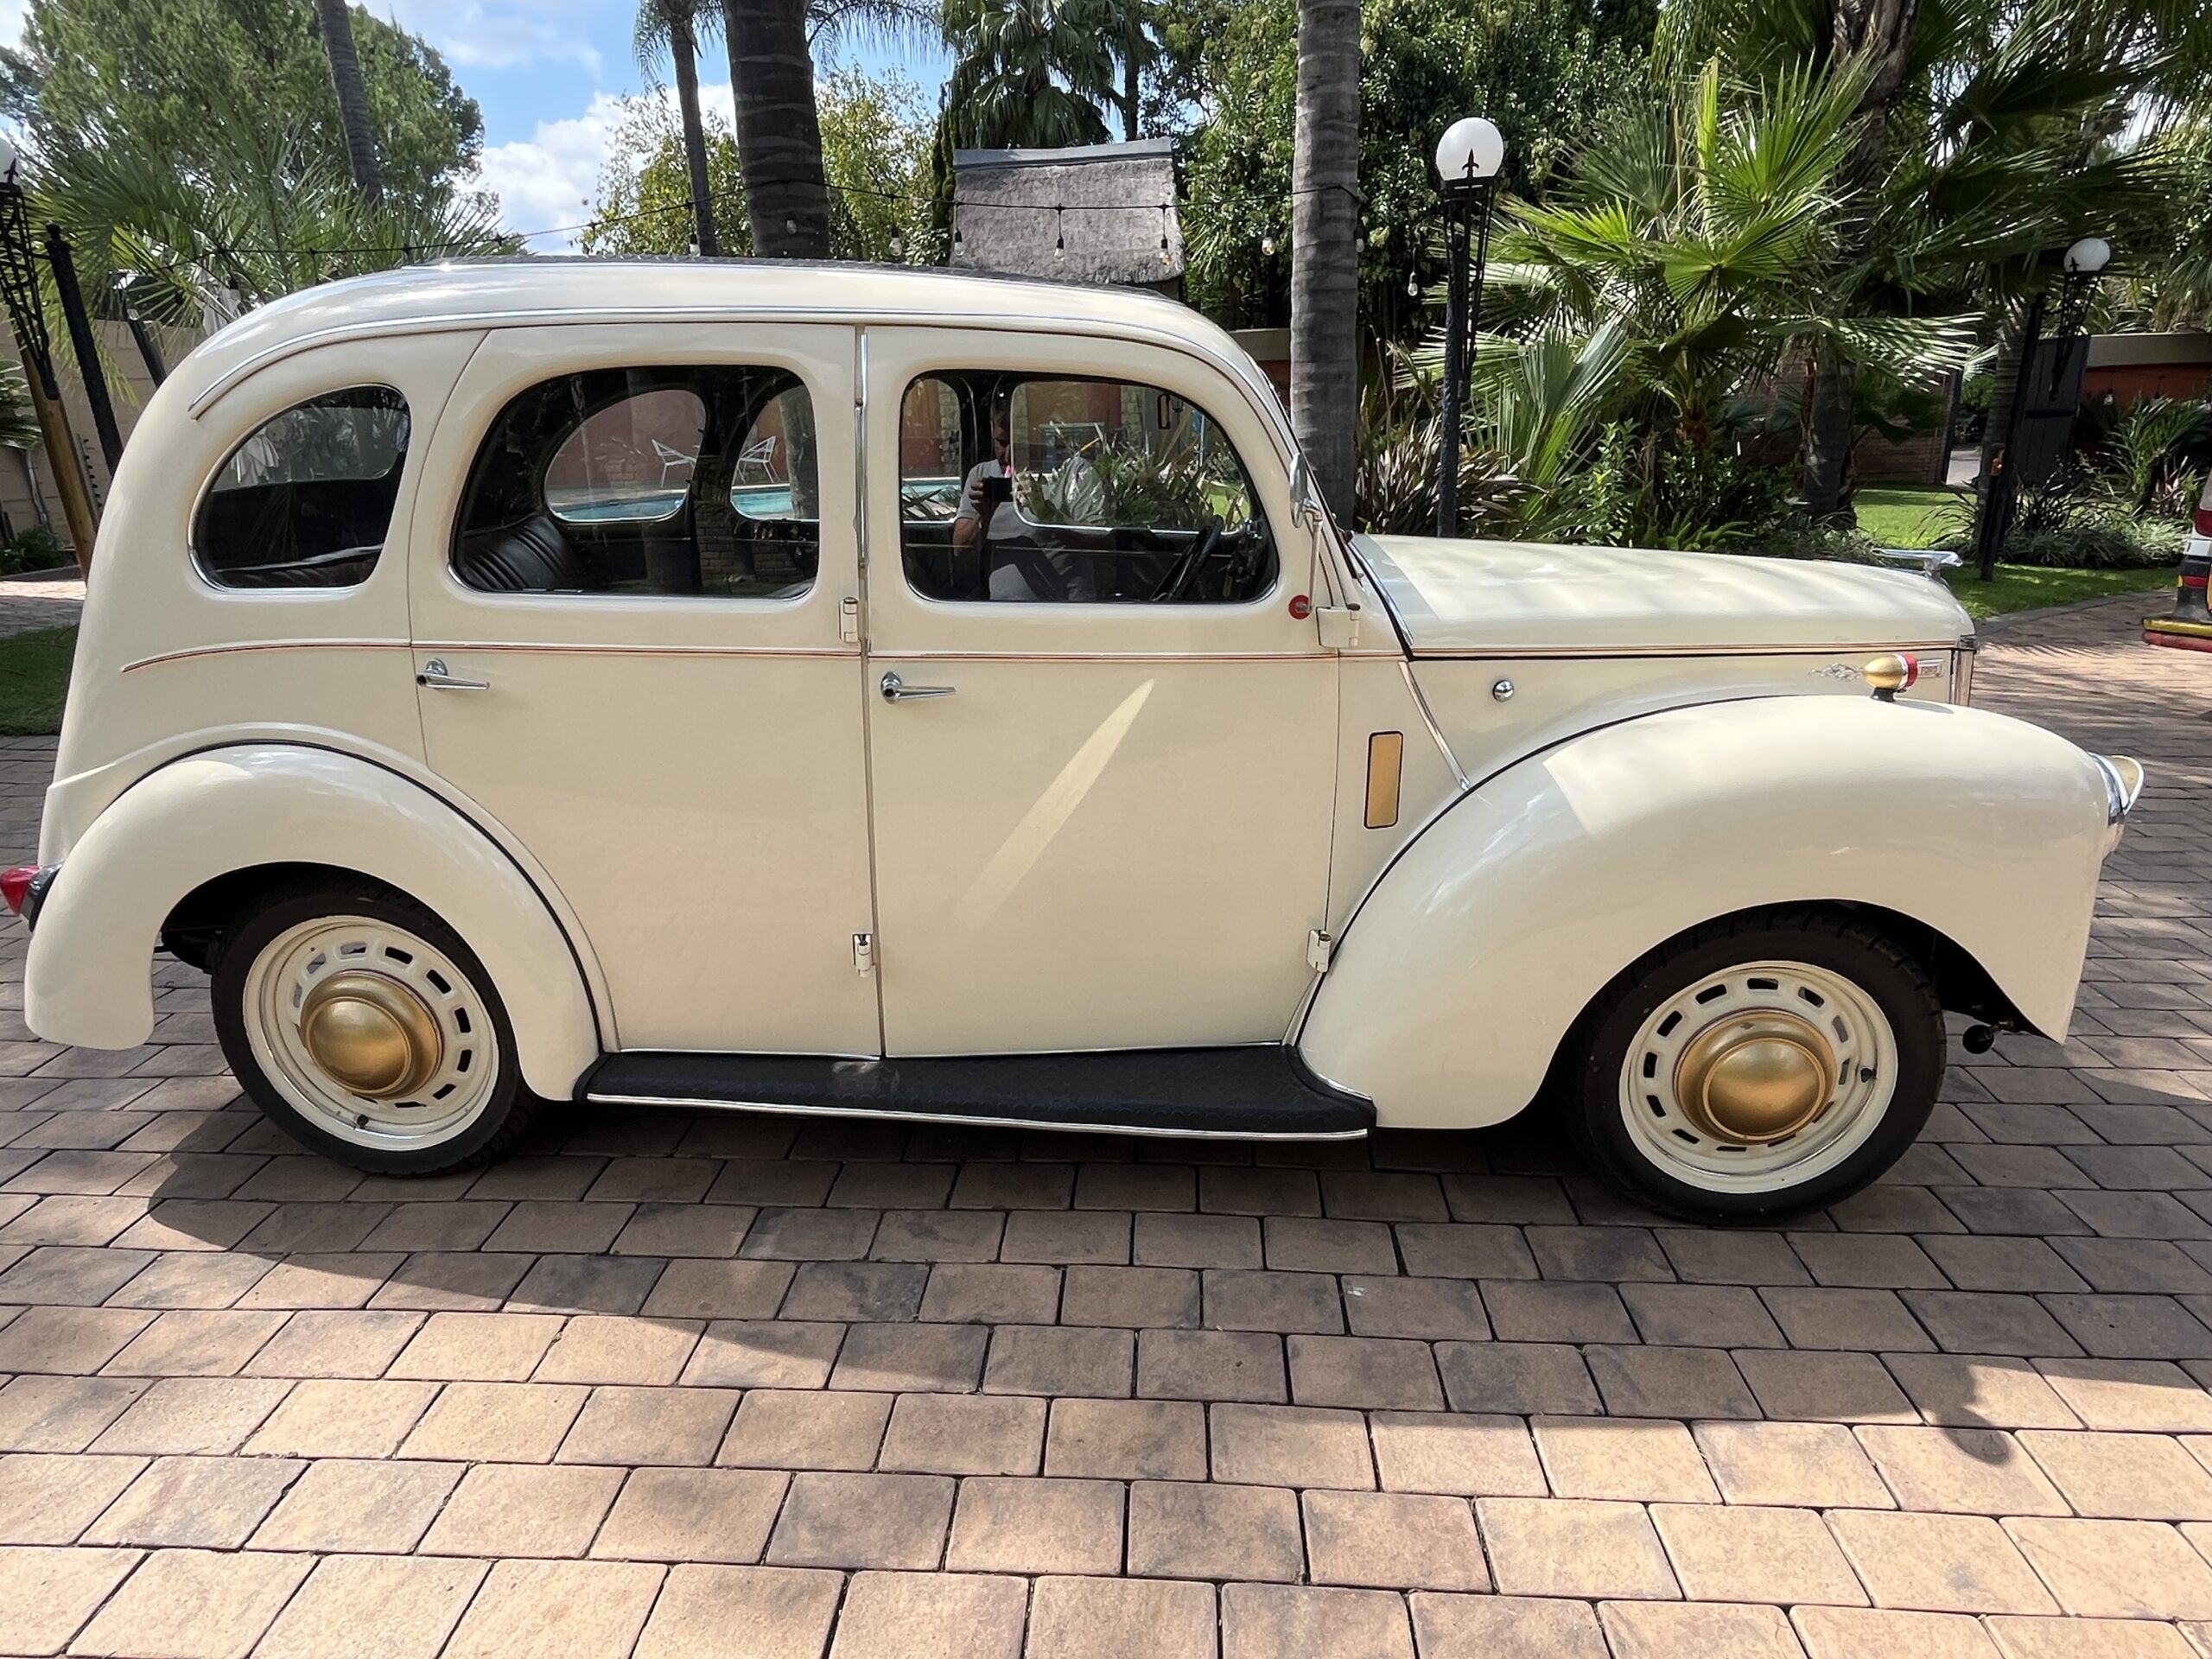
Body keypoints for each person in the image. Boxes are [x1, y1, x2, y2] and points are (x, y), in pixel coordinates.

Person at [952, 404, 1107, 601]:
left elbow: (1101, 543)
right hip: (1002, 613)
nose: (1008, 455)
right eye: (1001, 442)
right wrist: (984, 516)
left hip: (1066, 609)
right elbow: (960, 550)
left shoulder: (1073, 472)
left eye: (1017, 445)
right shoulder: (981, 475)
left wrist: (1050, 518)